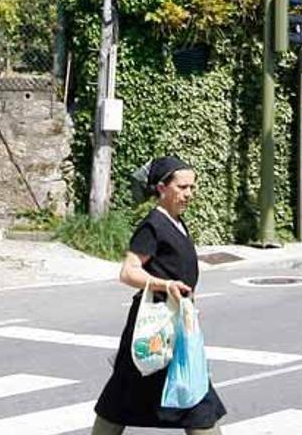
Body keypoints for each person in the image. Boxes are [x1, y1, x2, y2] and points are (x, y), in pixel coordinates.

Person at [92, 156, 226, 435]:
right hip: (155, 323)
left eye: (192, 187)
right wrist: (164, 285)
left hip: (177, 322)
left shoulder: (177, 222)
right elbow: (128, 272)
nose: (189, 194)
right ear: (162, 188)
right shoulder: (152, 225)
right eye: (182, 187)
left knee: (188, 390)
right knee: (128, 393)